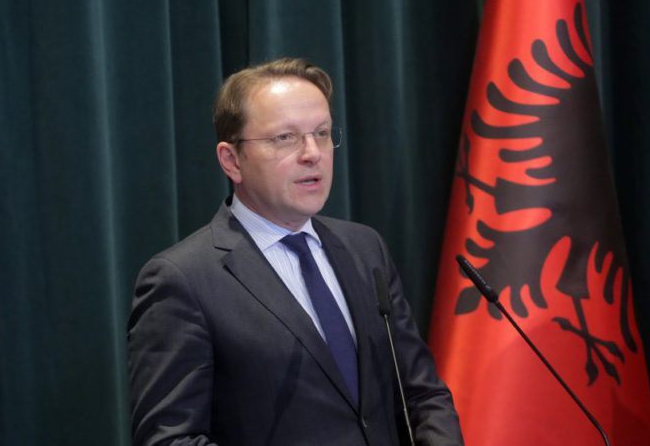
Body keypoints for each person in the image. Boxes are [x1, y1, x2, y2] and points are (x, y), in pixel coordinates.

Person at [127, 58, 462, 446]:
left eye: (321, 133)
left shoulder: (364, 248)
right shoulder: (183, 280)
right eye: (285, 138)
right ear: (231, 160)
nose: (312, 153)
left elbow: (422, 394)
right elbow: (170, 439)